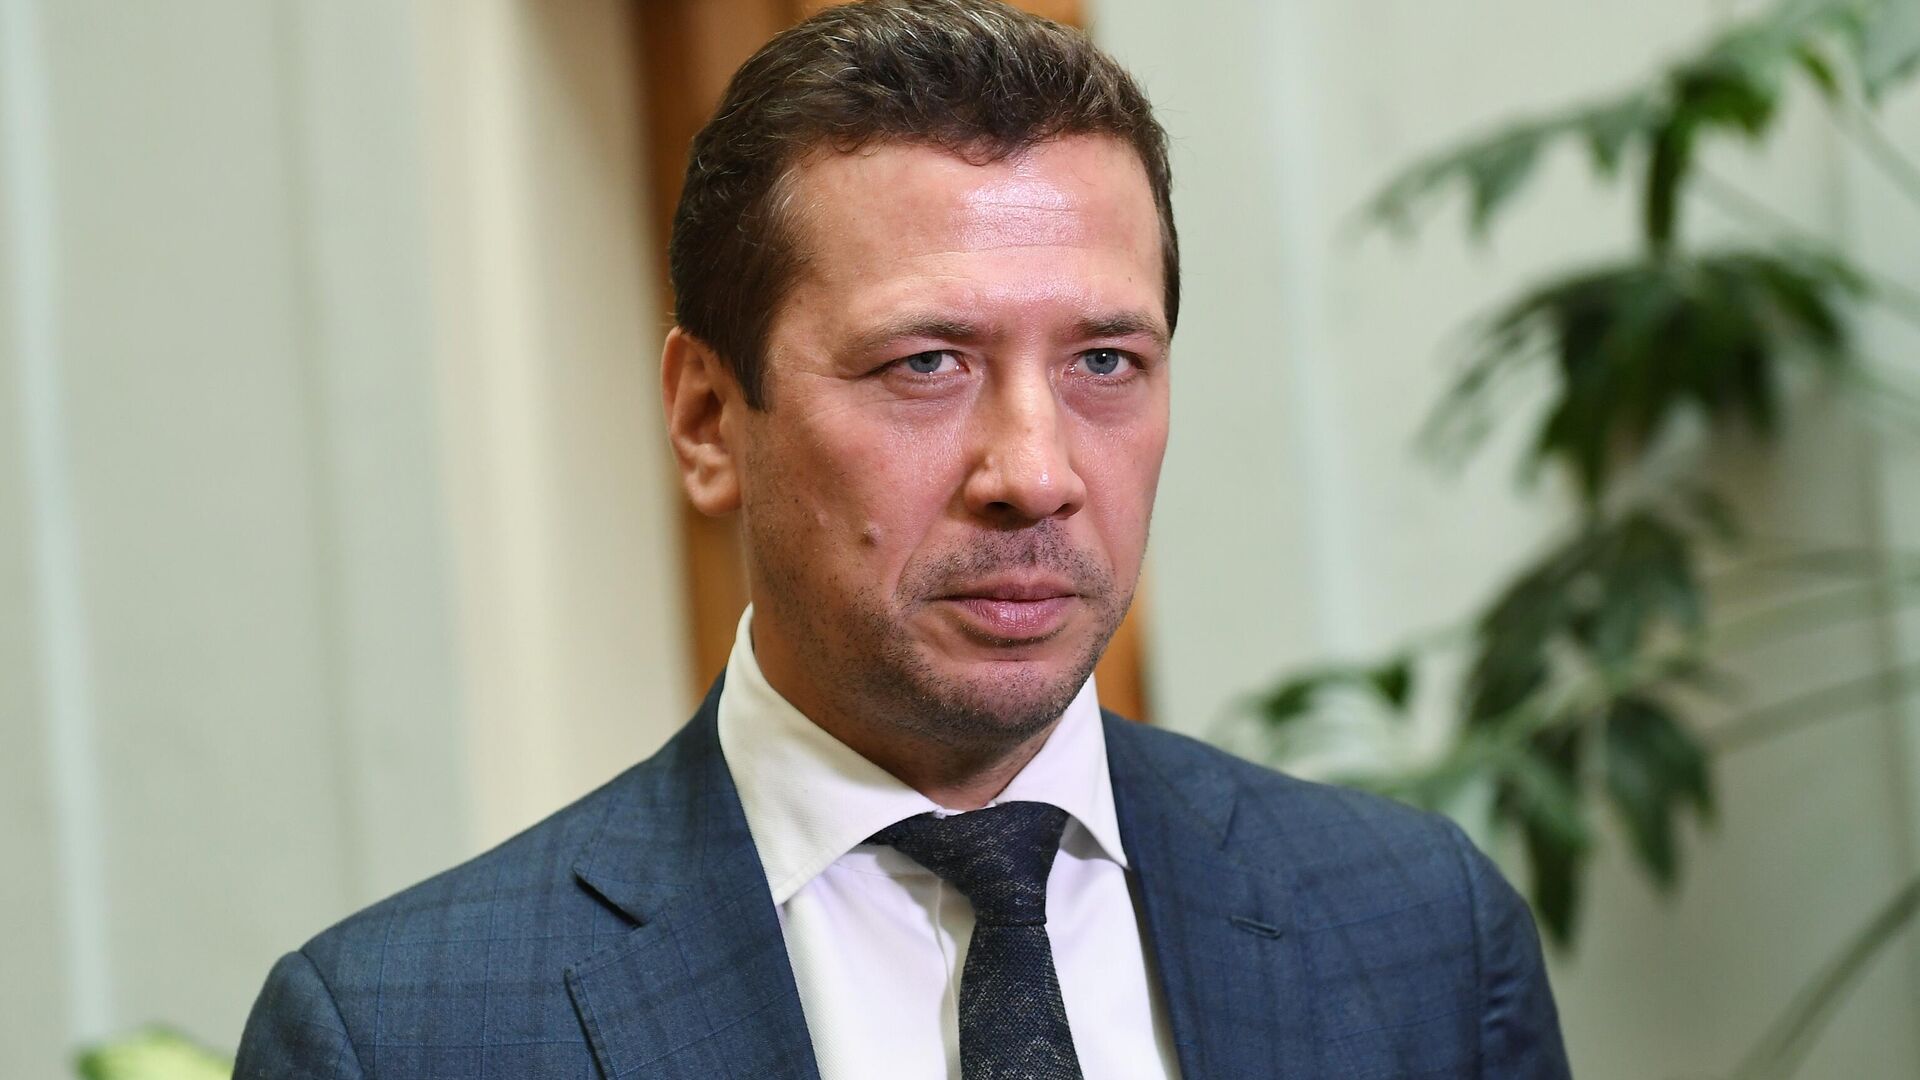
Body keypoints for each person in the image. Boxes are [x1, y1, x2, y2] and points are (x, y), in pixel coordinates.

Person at [235, 1, 1572, 1076]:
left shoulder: (1418, 934)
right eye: (926, 363)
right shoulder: (407, 1034)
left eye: (1106, 362)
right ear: (707, 418)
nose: (1035, 473)